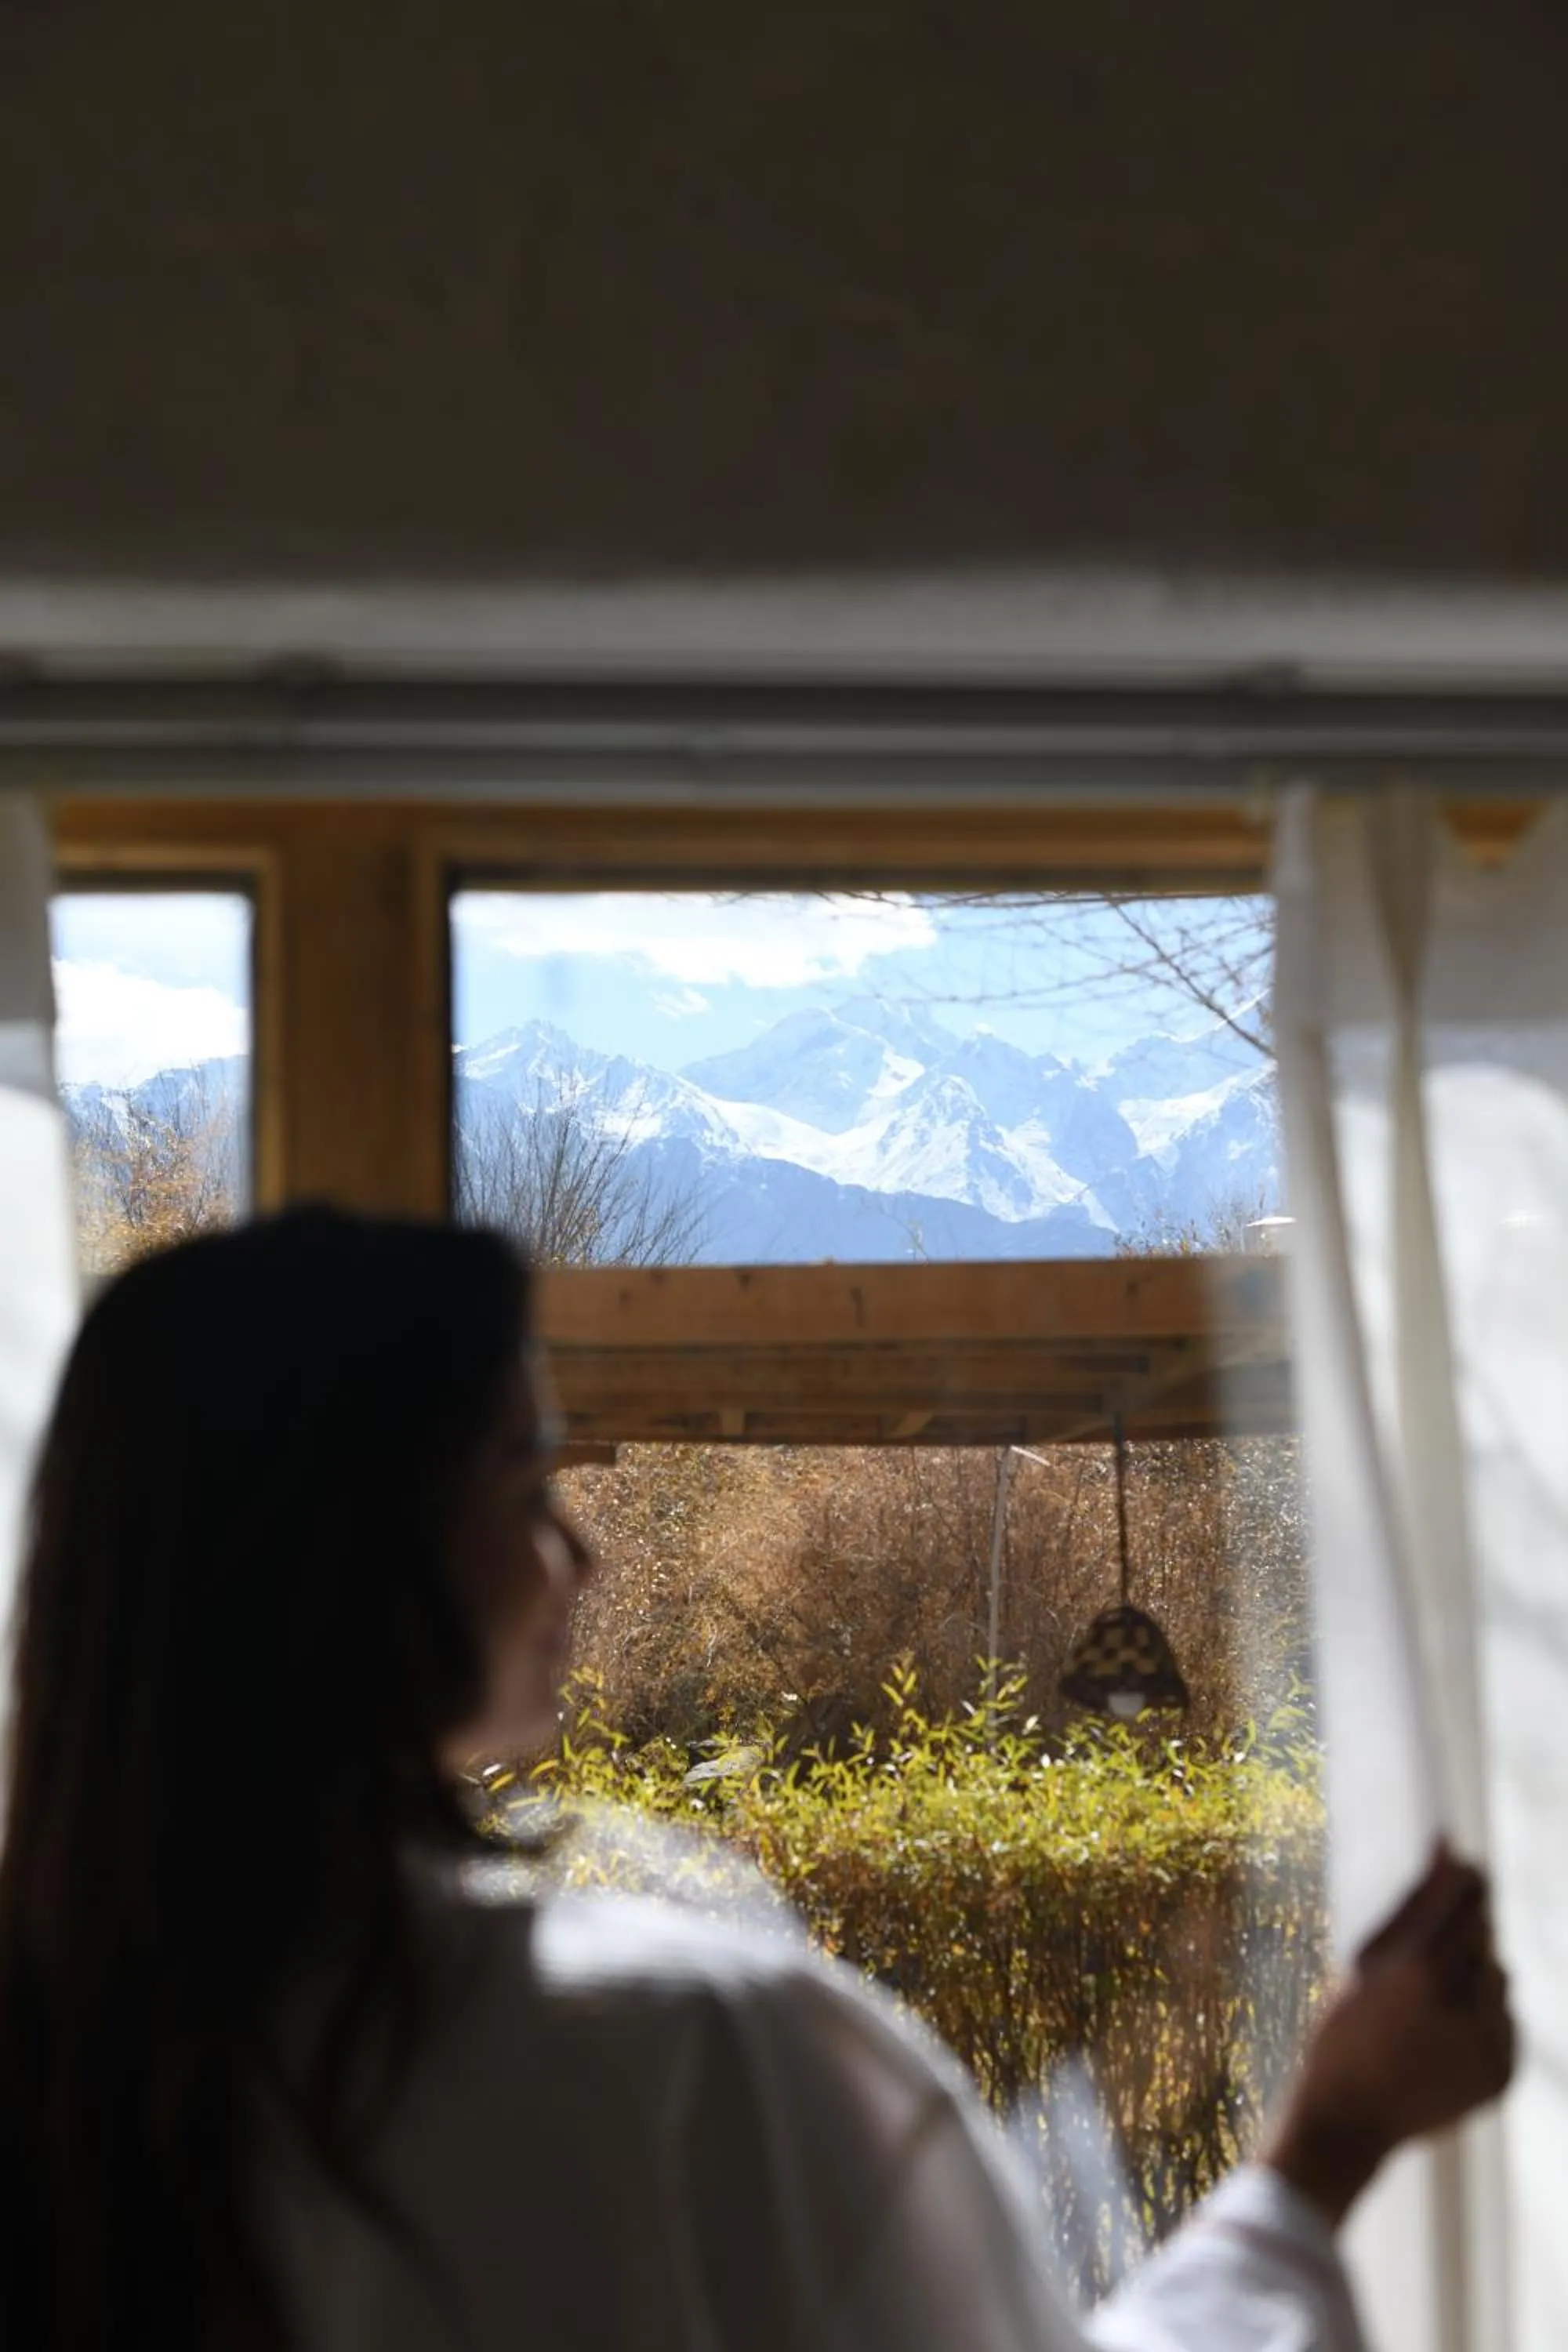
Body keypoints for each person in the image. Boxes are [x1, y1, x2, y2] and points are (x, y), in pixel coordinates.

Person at [0, 1208, 1512, 2352]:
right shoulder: (680, 2047)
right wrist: (1328, 2144)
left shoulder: (85, 2049)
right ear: (342, 1551)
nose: (578, 1558)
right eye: (528, 1486)